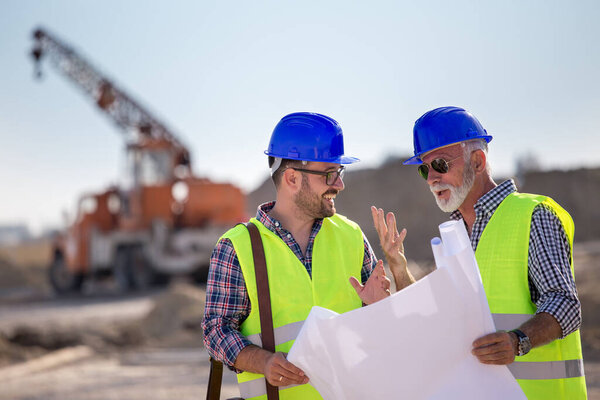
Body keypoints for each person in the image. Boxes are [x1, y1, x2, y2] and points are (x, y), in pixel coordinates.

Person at [202, 112, 412, 400]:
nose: (339, 184)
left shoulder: (351, 236)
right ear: (291, 178)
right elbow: (216, 332)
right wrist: (263, 362)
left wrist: (378, 310)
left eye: (340, 172)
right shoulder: (237, 247)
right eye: (330, 173)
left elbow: (380, 335)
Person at [396, 106, 586, 399]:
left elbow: (565, 305)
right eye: (425, 169)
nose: (432, 178)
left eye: (441, 165)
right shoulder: (453, 235)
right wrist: (397, 267)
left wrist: (518, 341)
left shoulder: (534, 215)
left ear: (478, 160)